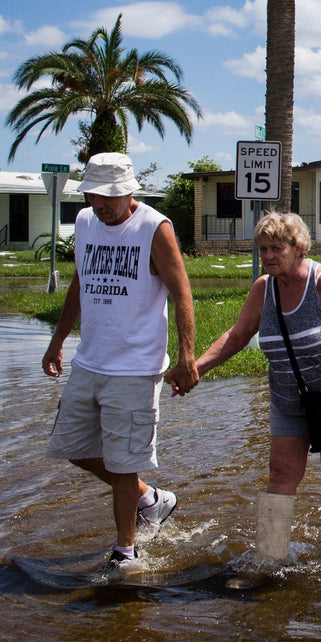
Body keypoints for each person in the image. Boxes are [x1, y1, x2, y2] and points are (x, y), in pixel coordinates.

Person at [42, 152, 198, 570]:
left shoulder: (154, 228)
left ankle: (125, 550)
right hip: (90, 360)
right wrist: (57, 340)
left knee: (124, 461)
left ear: (130, 191)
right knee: (72, 447)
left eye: (110, 197)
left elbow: (182, 293)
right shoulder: (85, 223)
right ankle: (150, 499)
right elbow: (81, 281)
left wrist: (186, 356)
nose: (102, 205)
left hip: (136, 366)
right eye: (95, 196)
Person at [196, 210, 321, 561]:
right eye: (262, 249)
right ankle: (268, 557)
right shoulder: (263, 289)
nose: (268, 256)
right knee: (280, 473)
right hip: (289, 397)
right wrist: (195, 369)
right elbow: (236, 336)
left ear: (298, 248)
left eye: (276, 248)